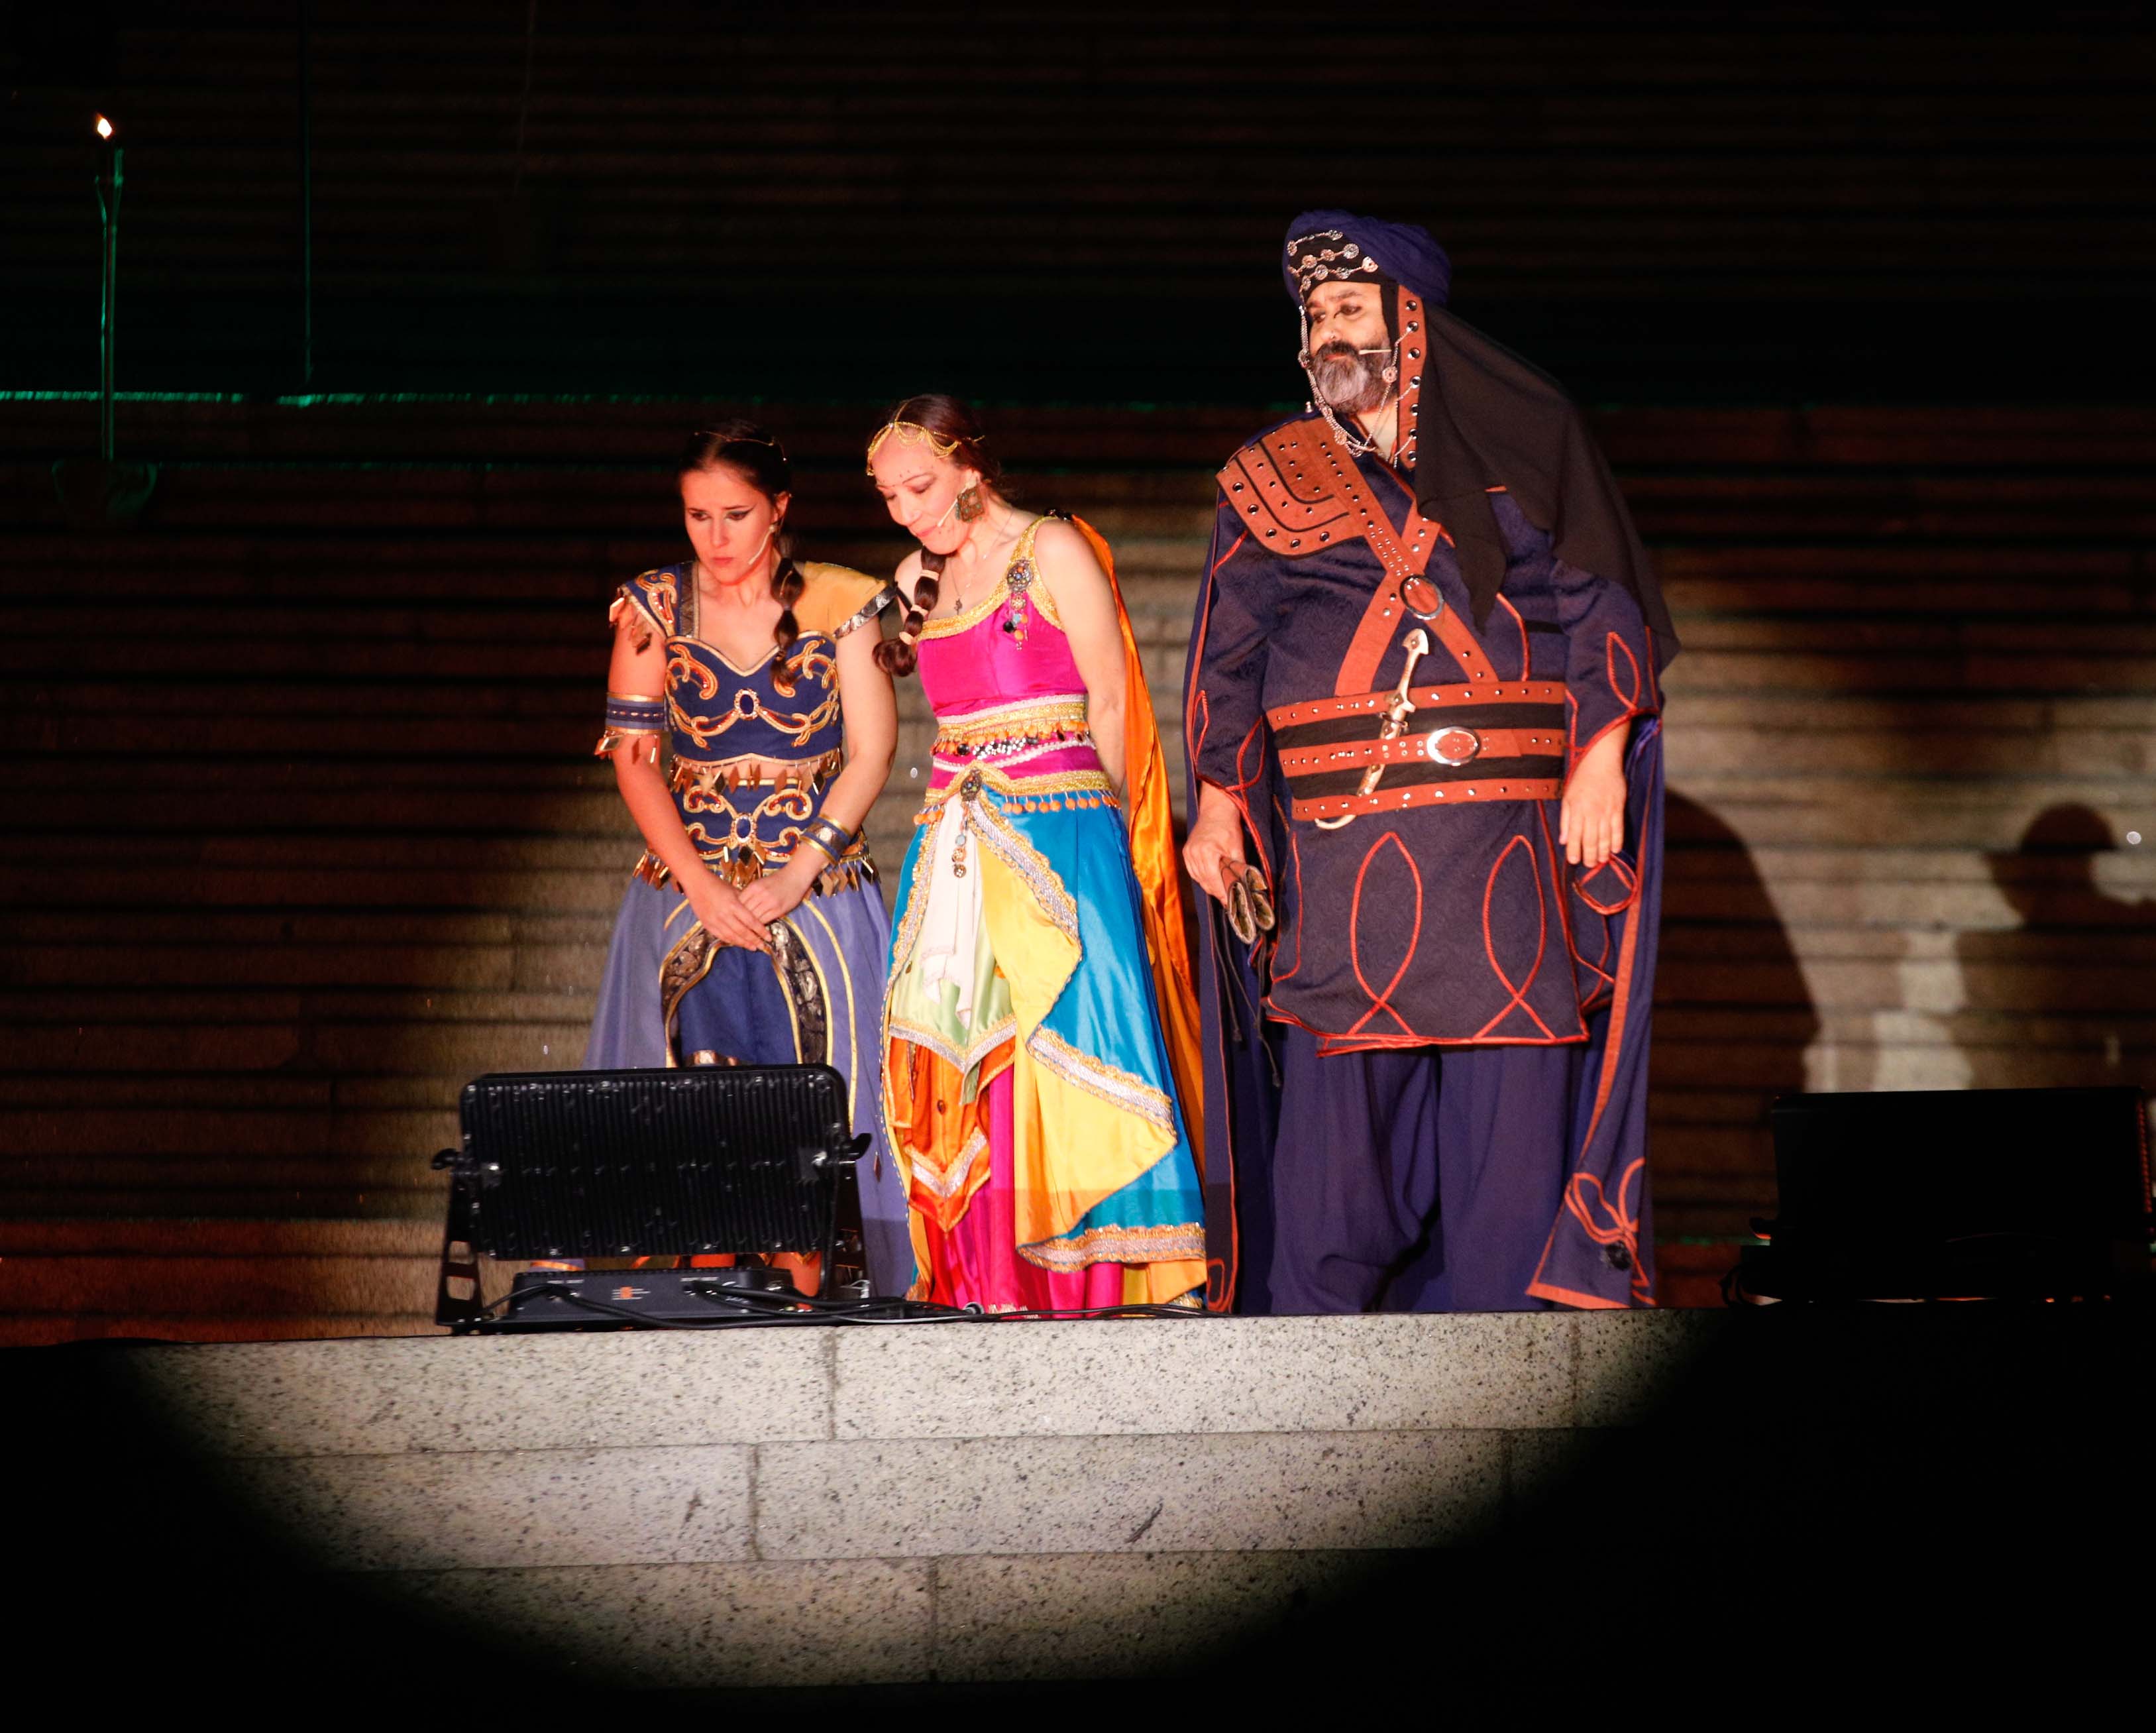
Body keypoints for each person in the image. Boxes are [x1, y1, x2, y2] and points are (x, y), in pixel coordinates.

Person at [1182, 211, 1680, 1313]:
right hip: (1339, 842)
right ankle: (1316, 1340)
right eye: (1312, 316)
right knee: (1337, 1090)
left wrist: (1599, 753)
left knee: (1510, 1063)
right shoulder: (1270, 476)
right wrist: (1218, 802)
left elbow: (1599, 595)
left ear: (1411, 322)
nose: (1324, 332)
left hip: (1500, 829)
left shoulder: (1523, 444)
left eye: (1347, 308)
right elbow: (1229, 648)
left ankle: (1504, 1333)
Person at [867, 395, 1206, 1311]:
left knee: (1075, 1036)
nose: (907, 511)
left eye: (921, 487)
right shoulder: (914, 575)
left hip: (1061, 826)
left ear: (969, 465)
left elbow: (1110, 699)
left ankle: (1119, 1272)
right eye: (890, 496)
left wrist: (1101, 834)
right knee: (971, 1056)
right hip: (957, 841)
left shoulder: (1051, 549)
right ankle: (994, 1278)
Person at [583, 421, 910, 1293]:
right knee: (697, 1093)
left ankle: (813, 1279)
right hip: (686, 890)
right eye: (697, 516)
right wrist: (701, 885)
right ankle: (699, 1288)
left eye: (736, 514)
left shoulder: (844, 601)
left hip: (819, 888)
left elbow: (873, 752)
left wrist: (795, 874)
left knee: (818, 1092)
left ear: (780, 510)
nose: (715, 538)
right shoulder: (651, 607)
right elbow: (633, 758)